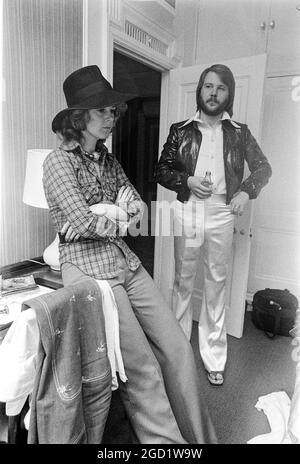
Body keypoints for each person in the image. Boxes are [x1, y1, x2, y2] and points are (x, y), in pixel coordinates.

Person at [43, 65, 217, 444]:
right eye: (102, 110)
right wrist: (114, 213)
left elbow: (136, 205)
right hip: (90, 271)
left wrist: (116, 211)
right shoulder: (57, 163)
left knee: (177, 349)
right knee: (143, 369)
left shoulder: (108, 159)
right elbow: (84, 224)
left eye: (112, 110)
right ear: (78, 116)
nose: (111, 117)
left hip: (125, 261)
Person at [154, 64, 272, 386]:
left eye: (220, 88)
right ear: (200, 90)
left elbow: (263, 168)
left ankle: (213, 357)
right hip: (189, 210)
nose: (213, 93)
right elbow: (161, 170)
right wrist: (187, 180)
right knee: (182, 281)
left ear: (228, 94)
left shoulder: (240, 133)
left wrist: (246, 193)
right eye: (208, 86)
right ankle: (178, 354)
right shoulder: (181, 129)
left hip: (222, 212)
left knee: (216, 285)